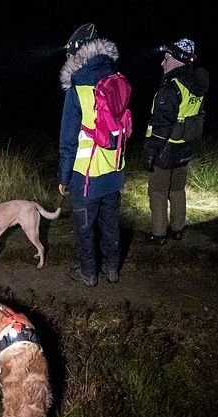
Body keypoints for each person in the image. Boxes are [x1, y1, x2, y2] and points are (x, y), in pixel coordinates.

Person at [58, 23, 125, 287]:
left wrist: (63, 177)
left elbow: (68, 140)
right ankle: (112, 270)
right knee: (111, 225)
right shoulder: (116, 80)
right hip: (114, 171)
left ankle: (89, 274)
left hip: (85, 177)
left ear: (78, 53)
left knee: (85, 229)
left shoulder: (78, 89)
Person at [143, 38, 209, 246]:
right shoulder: (196, 86)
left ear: (179, 61)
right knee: (177, 190)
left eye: (167, 58)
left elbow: (161, 125)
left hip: (166, 148)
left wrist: (150, 152)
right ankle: (178, 229)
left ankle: (159, 234)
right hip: (185, 147)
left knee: (158, 191)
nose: (163, 63)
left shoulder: (171, 87)